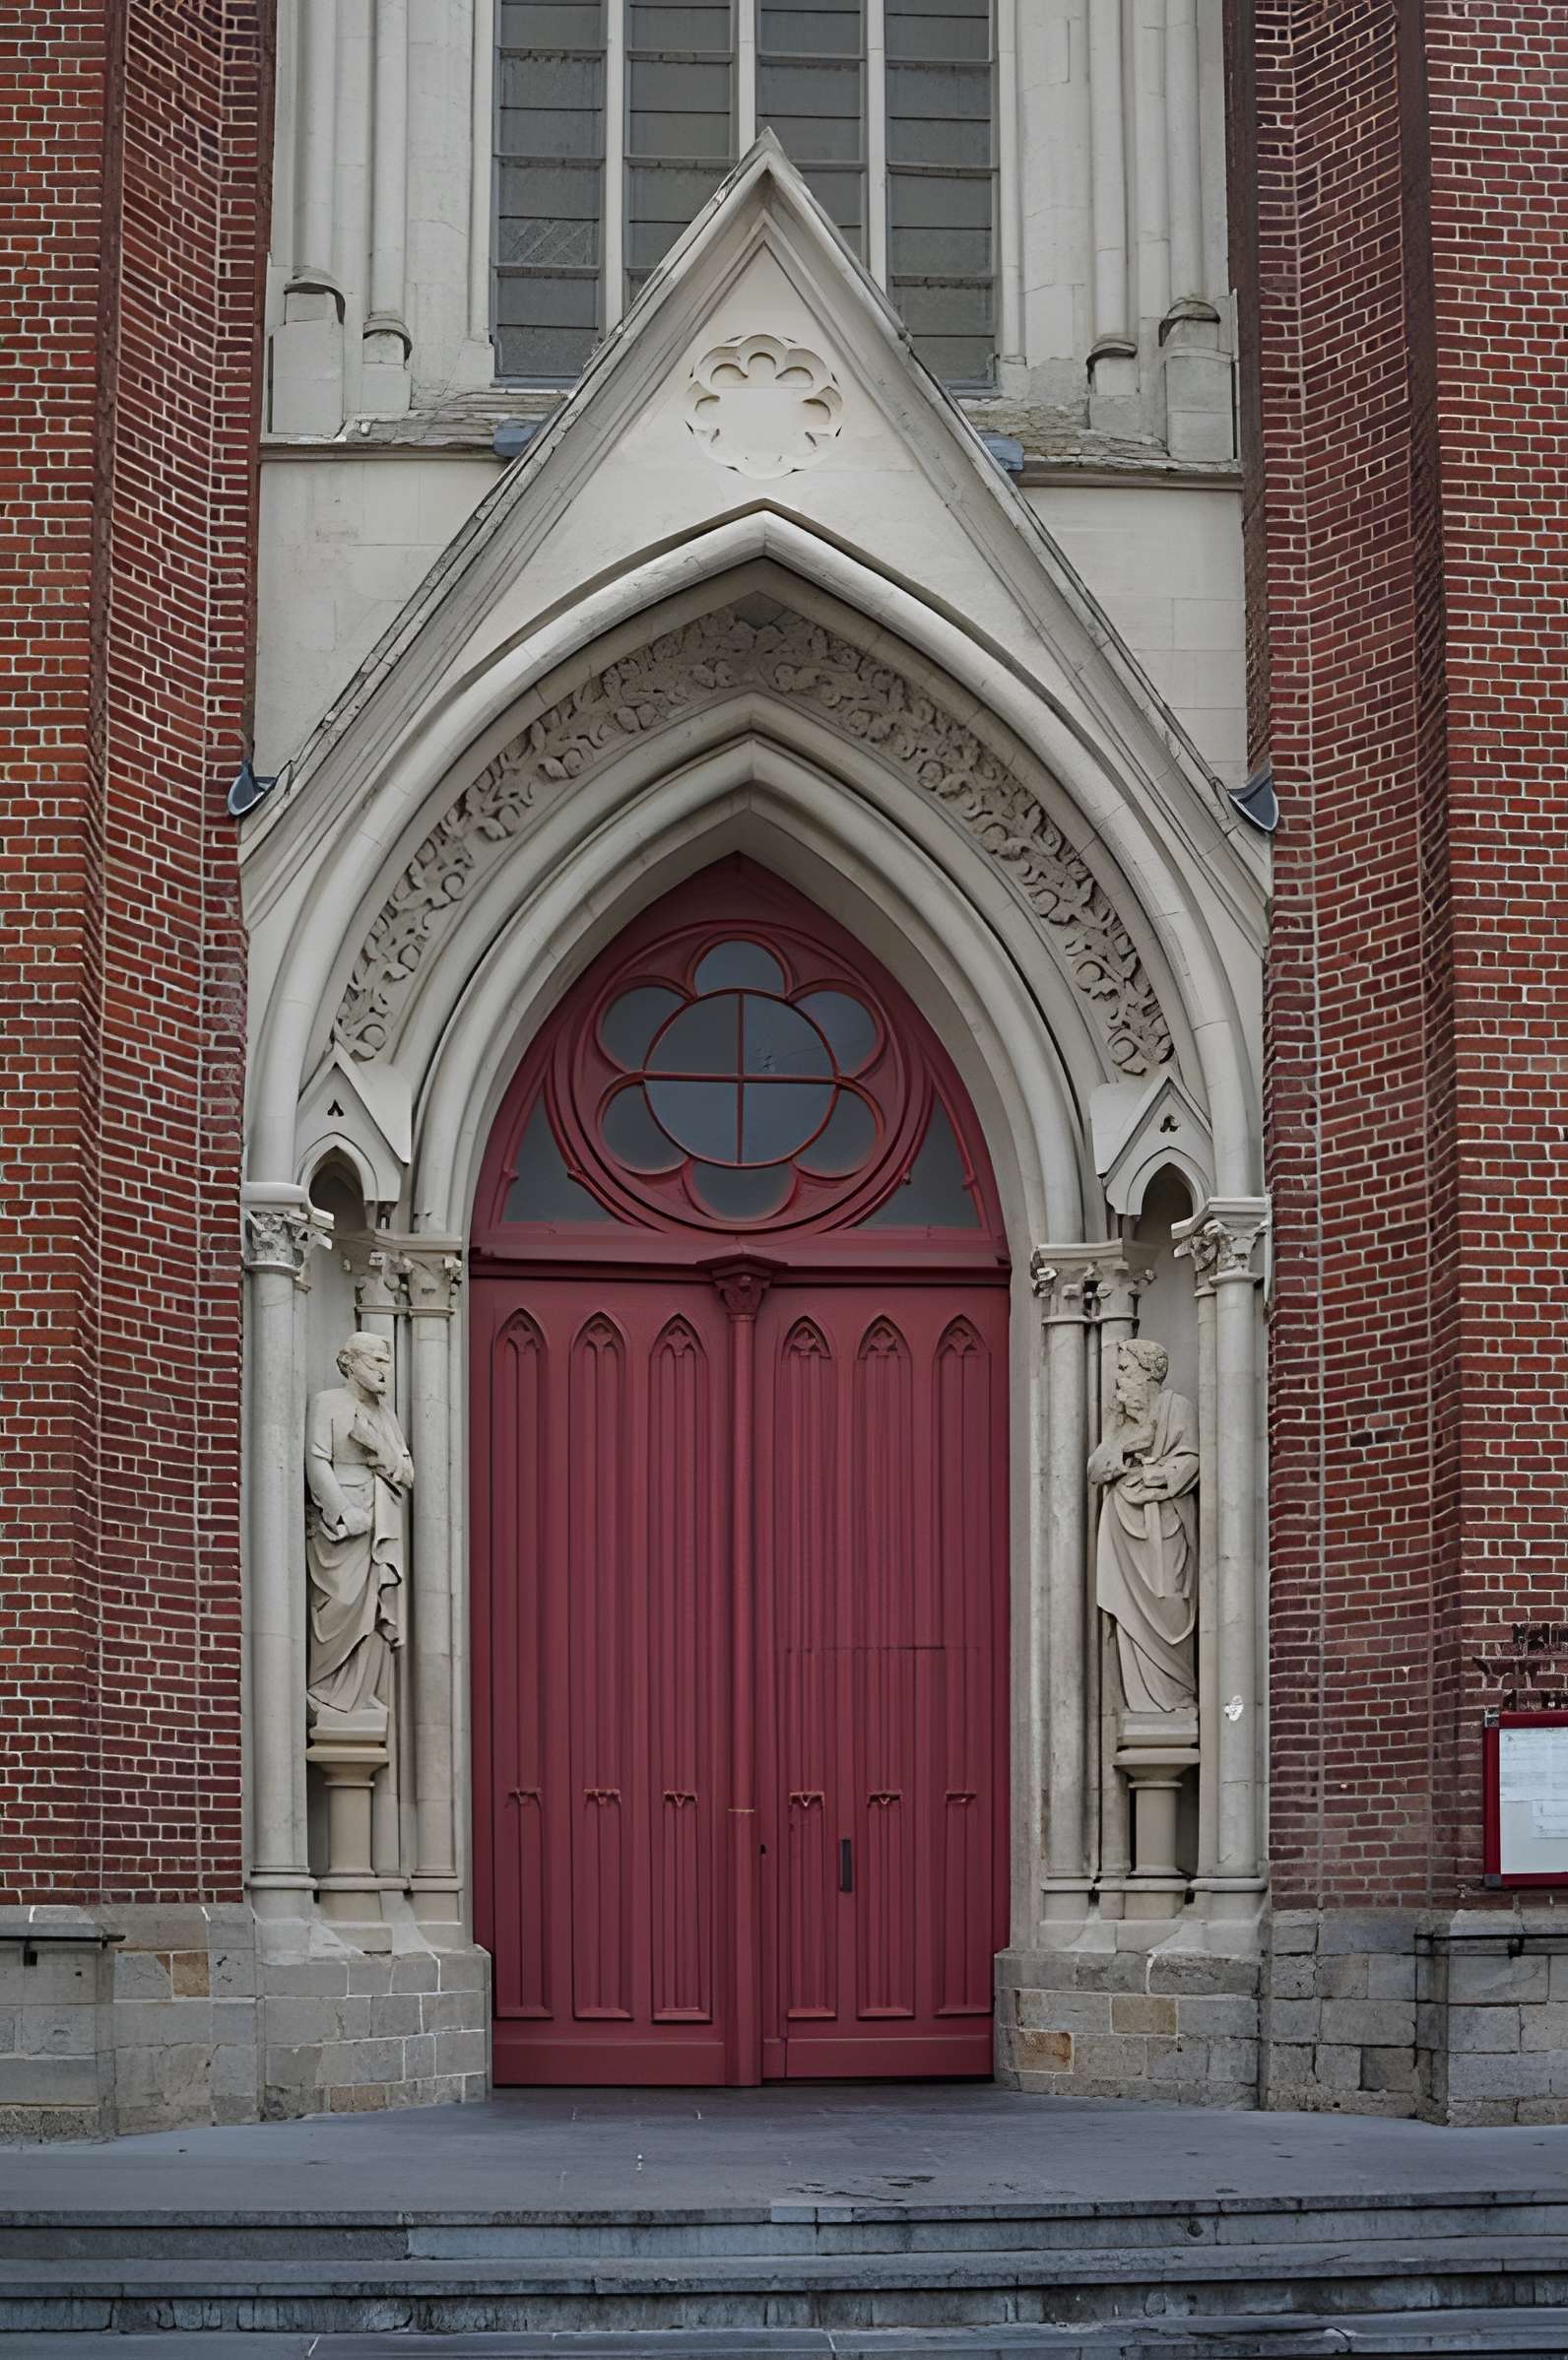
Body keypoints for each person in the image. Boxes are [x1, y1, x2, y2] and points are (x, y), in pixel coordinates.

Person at [304, 1333, 413, 1732]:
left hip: (381, 1520)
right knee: (340, 1601)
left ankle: (361, 1692)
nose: (385, 1369)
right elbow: (316, 1461)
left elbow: (407, 1472)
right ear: (349, 1361)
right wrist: (344, 1511)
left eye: (387, 1361)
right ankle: (328, 1691)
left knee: (373, 1606)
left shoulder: (387, 1416)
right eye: (376, 1361)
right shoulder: (327, 1404)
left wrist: (377, 1450)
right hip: (343, 1527)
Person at [1088, 1338, 1199, 1715]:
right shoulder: (1120, 1423)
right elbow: (1096, 1468)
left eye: (1125, 1371)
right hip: (1124, 1535)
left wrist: (1153, 1477)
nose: (1118, 1382)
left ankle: (1174, 1698)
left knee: (1170, 1605)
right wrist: (1125, 1445)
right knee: (1129, 1617)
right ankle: (1141, 1706)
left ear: (1149, 1373)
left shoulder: (1176, 1408)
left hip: (1165, 1529)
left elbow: (1189, 1461)